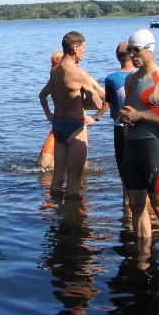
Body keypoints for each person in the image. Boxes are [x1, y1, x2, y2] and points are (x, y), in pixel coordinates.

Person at [119, 29, 159, 246]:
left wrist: (142, 116)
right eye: (129, 50)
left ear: (150, 49)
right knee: (135, 205)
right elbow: (130, 109)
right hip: (132, 147)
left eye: (136, 50)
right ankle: (142, 256)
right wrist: (126, 117)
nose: (132, 55)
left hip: (154, 147)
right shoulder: (130, 79)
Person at [39, 31, 103, 198]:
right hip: (75, 127)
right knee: (74, 181)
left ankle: (56, 213)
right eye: (83, 50)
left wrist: (49, 115)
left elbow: (42, 95)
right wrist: (92, 111)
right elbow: (98, 103)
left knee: (57, 179)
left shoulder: (54, 71)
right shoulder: (79, 73)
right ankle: (72, 214)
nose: (83, 54)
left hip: (58, 125)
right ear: (75, 48)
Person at [103, 40, 135, 213]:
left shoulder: (111, 79)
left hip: (121, 129)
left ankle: (127, 216)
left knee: (125, 177)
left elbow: (113, 111)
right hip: (143, 128)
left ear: (117, 57)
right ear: (133, 54)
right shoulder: (144, 75)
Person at [37, 51, 65, 169]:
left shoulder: (79, 76)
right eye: (52, 66)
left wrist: (95, 117)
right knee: (43, 165)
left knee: (80, 167)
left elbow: (101, 98)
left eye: (56, 65)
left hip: (77, 126)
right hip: (58, 124)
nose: (53, 69)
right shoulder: (53, 80)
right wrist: (48, 114)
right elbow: (42, 95)